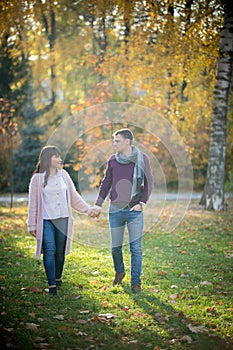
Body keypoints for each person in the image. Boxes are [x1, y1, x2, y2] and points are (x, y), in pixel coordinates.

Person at [27, 145, 98, 296]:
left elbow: (73, 196)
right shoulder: (37, 179)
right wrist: (32, 224)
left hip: (63, 219)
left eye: (60, 156)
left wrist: (87, 209)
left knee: (60, 252)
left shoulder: (64, 175)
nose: (60, 159)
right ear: (47, 158)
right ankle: (52, 285)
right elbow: (33, 203)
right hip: (46, 220)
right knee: (50, 250)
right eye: (56, 156)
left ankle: (58, 278)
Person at [93, 128, 153, 293]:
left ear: (127, 141)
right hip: (115, 210)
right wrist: (98, 204)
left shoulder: (142, 159)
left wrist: (141, 202)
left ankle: (136, 282)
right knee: (115, 247)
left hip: (134, 210)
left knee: (136, 248)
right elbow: (106, 183)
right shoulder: (113, 160)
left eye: (117, 140)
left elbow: (149, 183)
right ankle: (119, 272)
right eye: (114, 140)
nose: (114, 144)